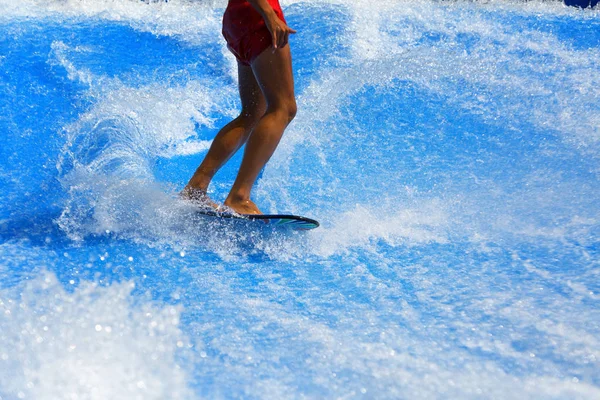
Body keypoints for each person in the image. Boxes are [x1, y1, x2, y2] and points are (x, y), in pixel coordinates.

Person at [181, 0, 297, 215]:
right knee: (283, 108)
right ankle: (239, 196)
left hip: (240, 18)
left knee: (252, 113)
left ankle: (196, 188)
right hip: (259, 16)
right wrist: (269, 15)